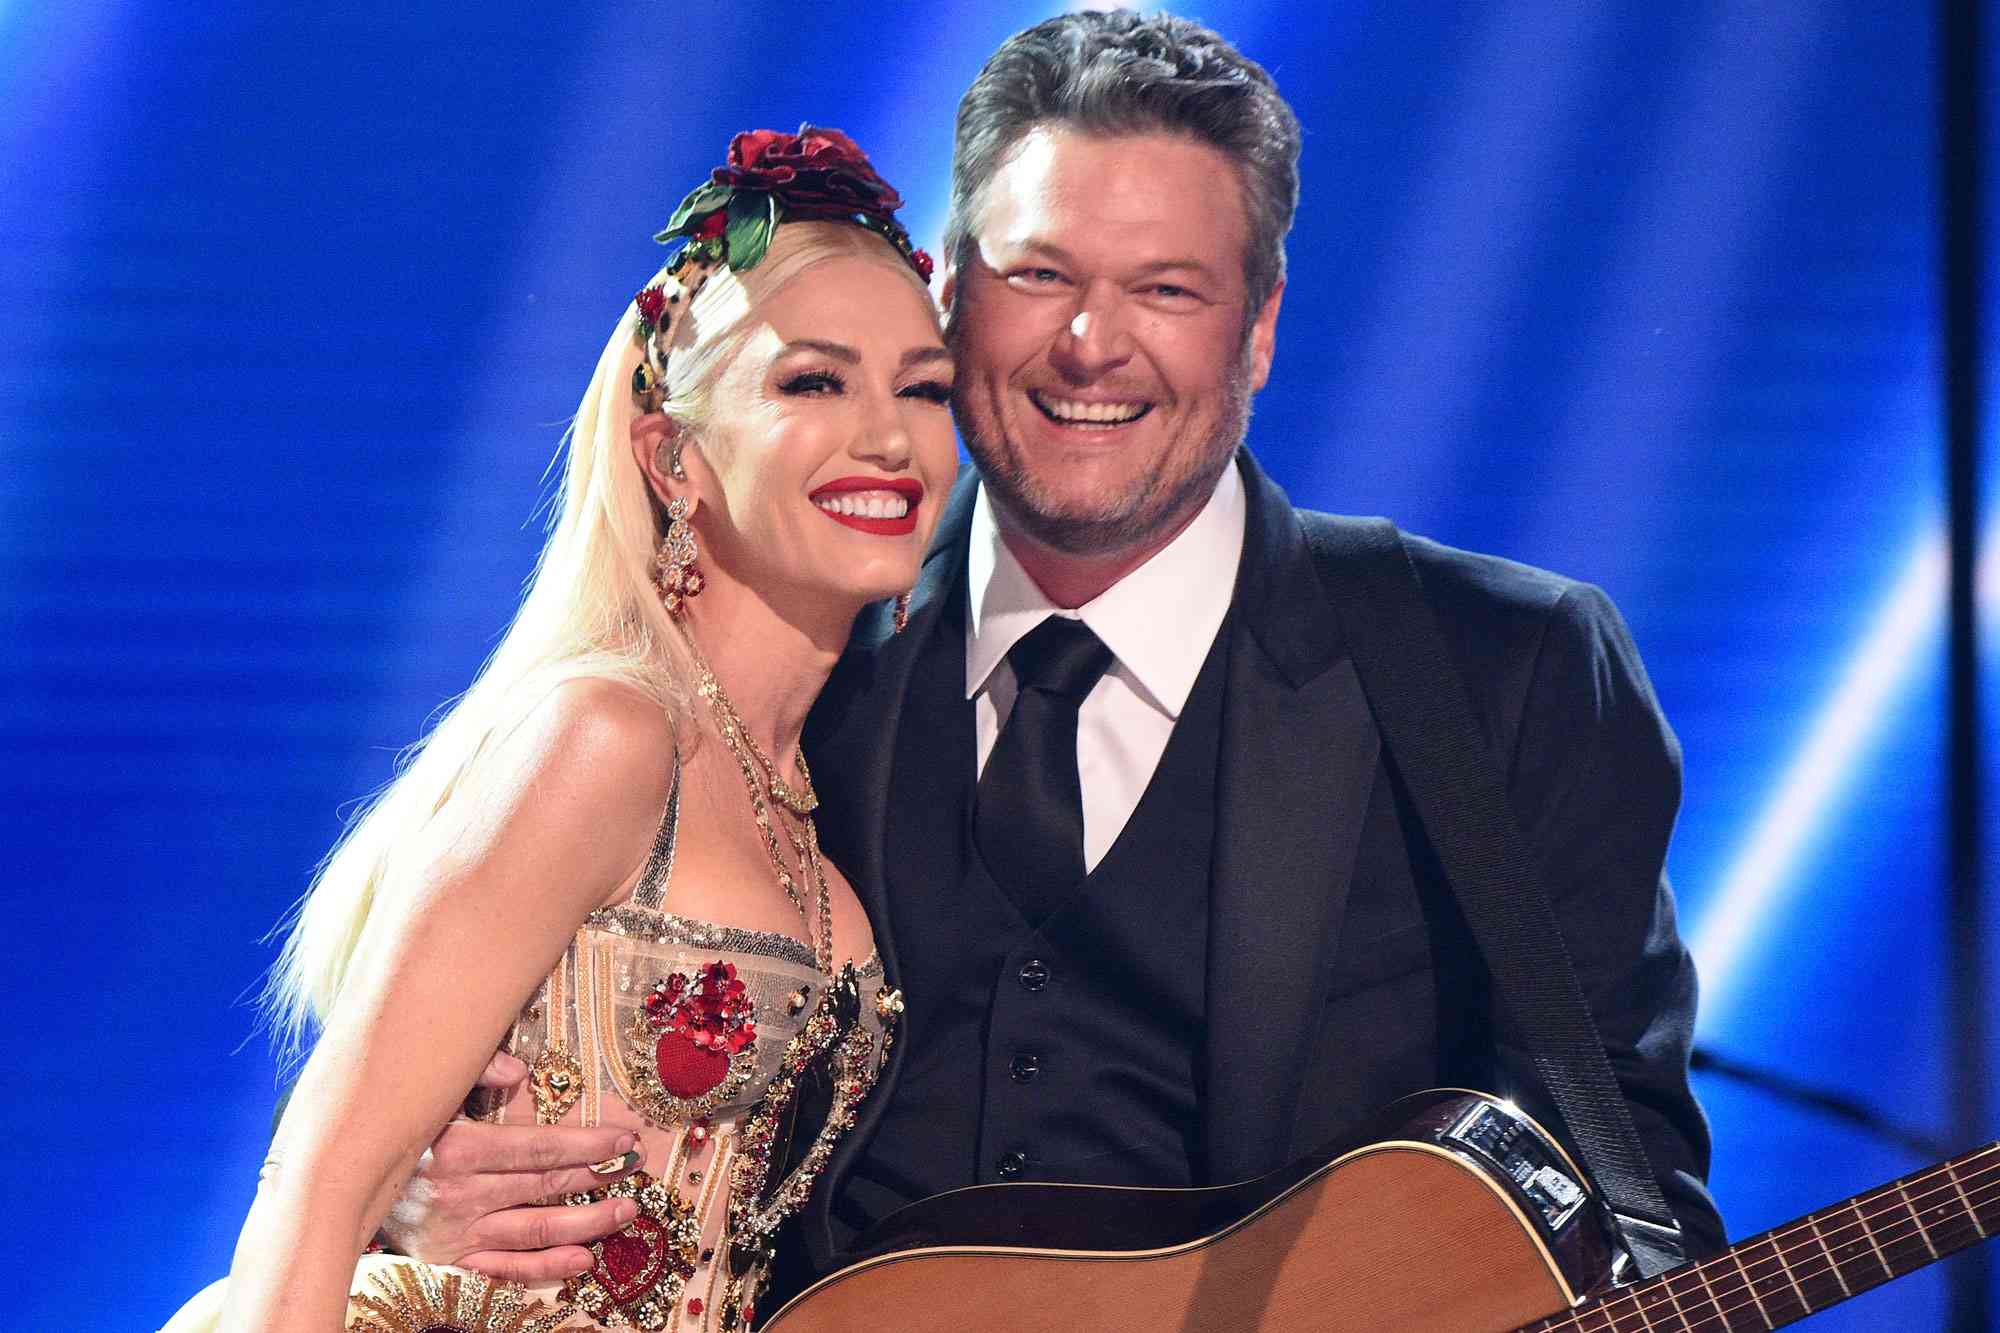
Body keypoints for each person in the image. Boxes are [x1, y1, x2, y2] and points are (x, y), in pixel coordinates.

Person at [376, 9, 1727, 1314]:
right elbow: (472, 1087)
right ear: (951, 296)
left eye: (1166, 289)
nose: (1091, 342)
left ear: (1256, 328)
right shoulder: (779, 661)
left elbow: (1631, 1200)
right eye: (1042, 276)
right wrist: (430, 1198)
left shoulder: (1501, 671)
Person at [164, 127, 957, 1332]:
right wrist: (401, 1201)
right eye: (813, 381)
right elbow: (322, 1173)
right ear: (671, 455)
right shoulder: (609, 732)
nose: (888, 438)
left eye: (922, 386)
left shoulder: (817, 788)